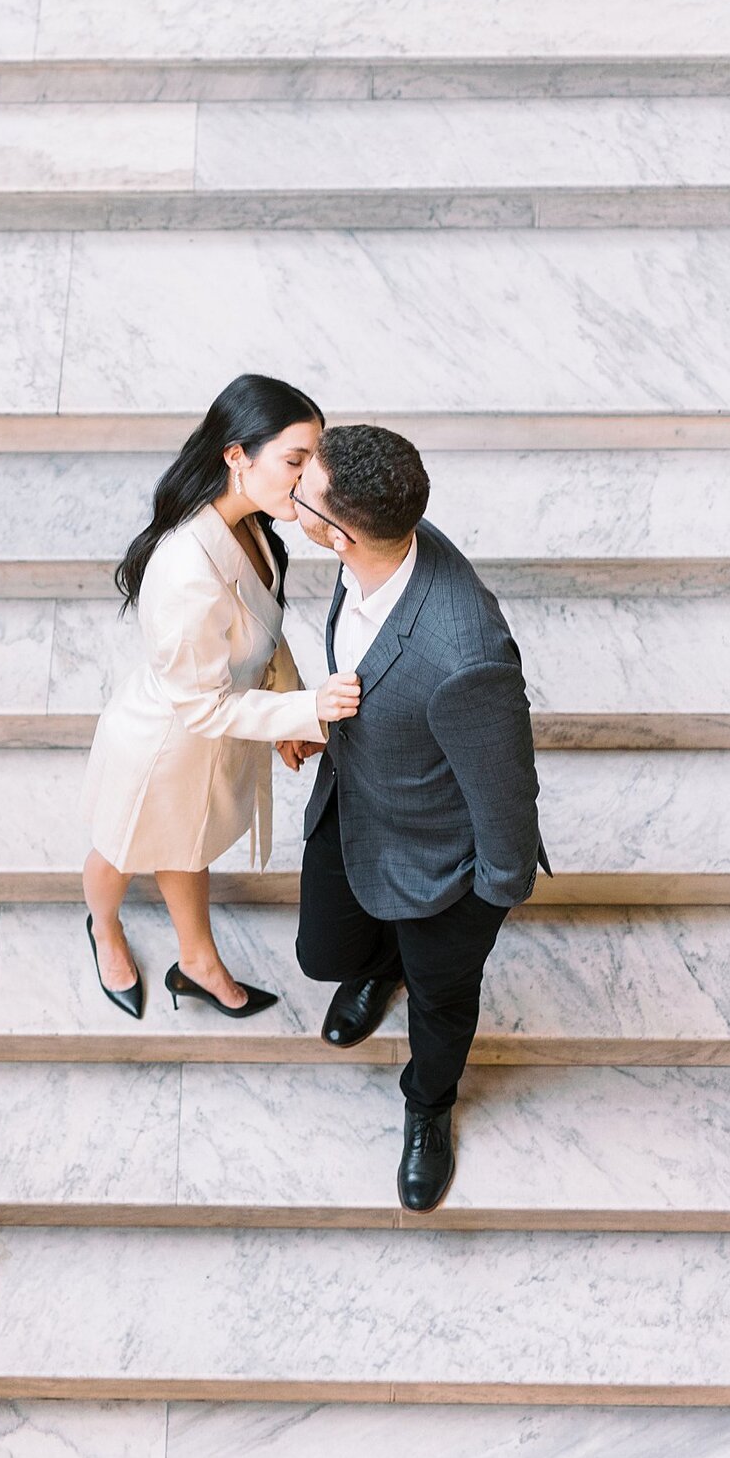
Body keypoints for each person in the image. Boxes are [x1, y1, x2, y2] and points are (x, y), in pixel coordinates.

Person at [285, 424, 551, 1211]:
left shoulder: (467, 654)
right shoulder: (373, 545)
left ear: (336, 532)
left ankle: (429, 1105)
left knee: (441, 1002)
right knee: (322, 952)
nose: (291, 489)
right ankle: (380, 965)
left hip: (445, 864)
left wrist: (485, 901)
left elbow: (508, 791)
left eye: (303, 488)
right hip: (356, 800)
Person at [81, 375, 363, 1021]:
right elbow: (202, 706)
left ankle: (198, 960)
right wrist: (310, 708)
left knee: (185, 851)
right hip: (163, 746)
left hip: (205, 742)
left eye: (309, 462)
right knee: (119, 853)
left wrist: (290, 702)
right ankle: (103, 929)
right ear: (237, 455)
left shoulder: (251, 526)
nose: (307, 479)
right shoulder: (187, 569)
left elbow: (263, 635)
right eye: (294, 461)